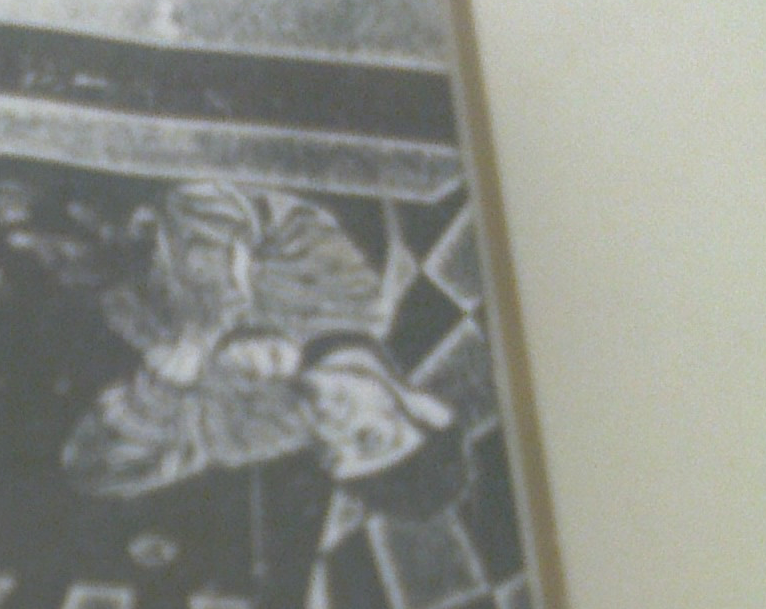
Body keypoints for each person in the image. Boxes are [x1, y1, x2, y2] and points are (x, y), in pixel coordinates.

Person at [61, 179, 466, 517]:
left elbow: (95, 471)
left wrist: (162, 390)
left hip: (60, 257)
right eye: (369, 438)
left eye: (329, 454)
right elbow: (205, 192)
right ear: (425, 408)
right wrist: (214, 322)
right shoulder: (351, 287)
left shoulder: (269, 428)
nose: (330, 428)